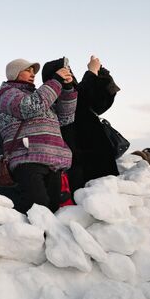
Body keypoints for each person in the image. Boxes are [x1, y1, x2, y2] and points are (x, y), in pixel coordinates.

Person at [0, 58, 77, 214]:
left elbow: (66, 117)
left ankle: (49, 238)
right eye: (27, 70)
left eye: (34, 71)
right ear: (14, 73)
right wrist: (56, 81)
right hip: (27, 158)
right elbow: (30, 107)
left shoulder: (41, 94)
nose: (32, 74)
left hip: (52, 159)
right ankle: (35, 238)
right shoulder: (7, 94)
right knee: (38, 208)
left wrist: (67, 88)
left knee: (53, 208)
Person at [48, 56, 120, 195]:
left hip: (97, 151)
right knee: (87, 202)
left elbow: (100, 101)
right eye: (64, 70)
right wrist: (92, 72)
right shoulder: (54, 96)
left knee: (110, 202)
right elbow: (78, 99)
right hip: (79, 156)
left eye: (69, 69)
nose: (68, 72)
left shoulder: (78, 90)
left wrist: (101, 74)